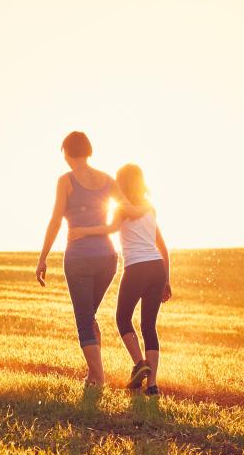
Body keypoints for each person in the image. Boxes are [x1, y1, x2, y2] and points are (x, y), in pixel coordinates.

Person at [35, 132, 148, 388]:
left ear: (66, 153)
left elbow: (55, 220)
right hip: (108, 259)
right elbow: (130, 210)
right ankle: (95, 374)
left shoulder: (66, 181)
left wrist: (42, 258)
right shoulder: (107, 180)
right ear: (89, 150)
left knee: (84, 319)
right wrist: (147, 209)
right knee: (90, 315)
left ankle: (98, 378)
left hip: (79, 258)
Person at [70, 163, 171, 396]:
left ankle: (139, 363)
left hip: (137, 268)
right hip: (156, 267)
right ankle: (152, 386)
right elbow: (163, 247)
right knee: (149, 326)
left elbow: (109, 229)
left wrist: (83, 232)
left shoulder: (122, 209)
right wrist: (167, 279)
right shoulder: (150, 208)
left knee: (122, 318)